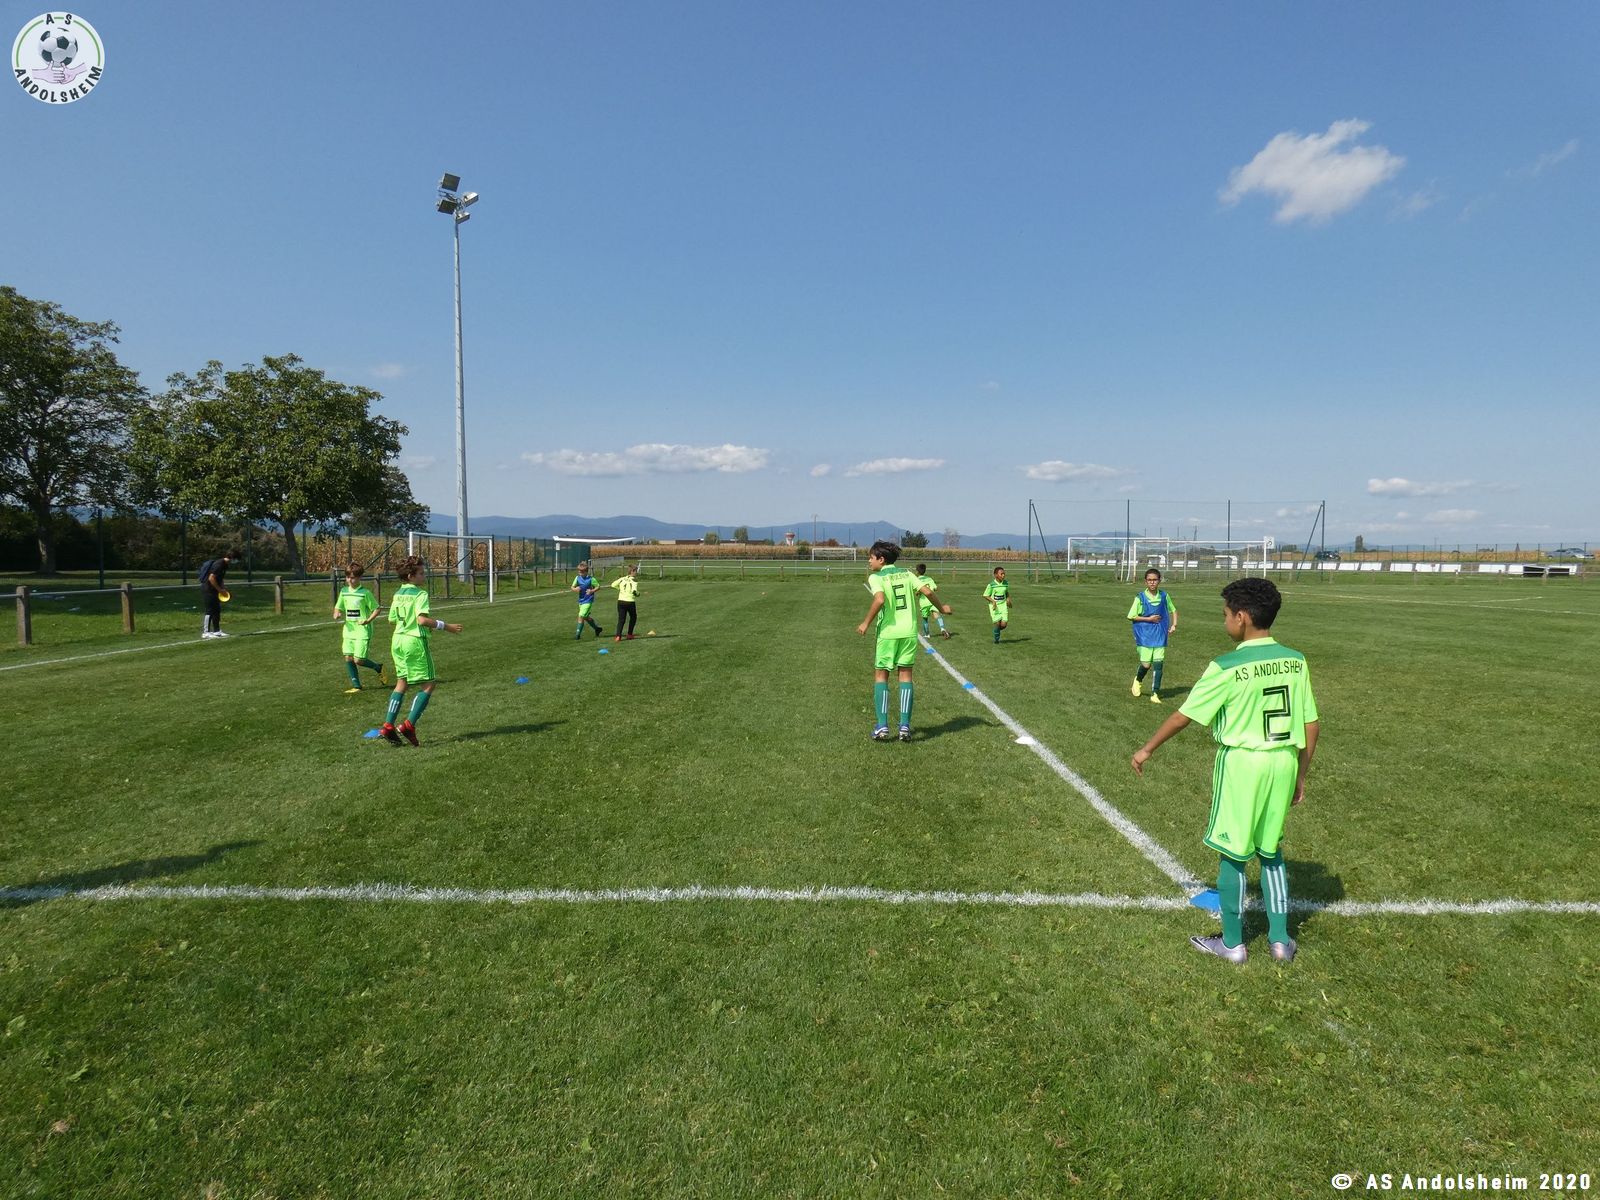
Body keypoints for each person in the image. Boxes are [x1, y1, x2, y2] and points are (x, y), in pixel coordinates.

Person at [1131, 577, 1320, 965]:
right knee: (1271, 851)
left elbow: (1184, 715)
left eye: (1225, 615)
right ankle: (1280, 941)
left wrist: (1147, 748)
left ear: (1242, 617)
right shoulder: (1295, 660)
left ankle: (1232, 944)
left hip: (1243, 764)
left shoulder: (1227, 666)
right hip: (1283, 761)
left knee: (1233, 854)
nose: (1225, 622)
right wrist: (1301, 774)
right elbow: (1311, 724)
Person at [856, 540, 952, 742]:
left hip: (888, 633)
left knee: (881, 676)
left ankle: (882, 726)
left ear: (881, 559)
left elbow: (879, 599)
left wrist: (865, 623)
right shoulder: (908, 574)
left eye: (871, 557)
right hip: (908, 633)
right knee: (906, 676)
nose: (869, 561)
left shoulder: (876, 577)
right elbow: (927, 591)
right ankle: (905, 727)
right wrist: (942, 608)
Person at [379, 556, 463, 747]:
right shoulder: (420, 594)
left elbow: (392, 619)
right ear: (411, 576)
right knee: (429, 684)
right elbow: (422, 620)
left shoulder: (398, 594)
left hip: (398, 640)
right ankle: (408, 725)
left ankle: (388, 725)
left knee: (402, 682)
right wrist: (446, 626)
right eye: (421, 573)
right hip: (414, 641)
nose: (424, 576)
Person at [333, 562, 387, 693]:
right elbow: (338, 607)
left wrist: (368, 620)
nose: (350, 580)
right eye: (348, 577)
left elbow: (377, 609)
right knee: (348, 657)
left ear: (359, 578)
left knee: (358, 660)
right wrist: (337, 613)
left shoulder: (365, 593)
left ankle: (378, 667)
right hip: (349, 629)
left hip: (362, 630)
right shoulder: (344, 592)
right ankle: (356, 686)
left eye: (353, 577)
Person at [1128, 568, 1178, 703]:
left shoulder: (1164, 596)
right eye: (1149, 580)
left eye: (1154, 580)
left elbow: (1173, 610)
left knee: (1158, 664)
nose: (1152, 582)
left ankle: (1155, 693)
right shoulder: (1140, 597)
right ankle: (1138, 680)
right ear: (1145, 582)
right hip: (1144, 636)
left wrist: (1174, 625)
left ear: (1159, 581)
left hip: (1160, 635)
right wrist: (1149, 619)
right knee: (1146, 665)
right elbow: (1131, 616)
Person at [198, 549, 237, 639]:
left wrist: (223, 589)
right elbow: (211, 578)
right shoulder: (219, 564)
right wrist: (220, 590)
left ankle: (217, 631)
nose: (236, 561)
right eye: (236, 559)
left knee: (216, 610)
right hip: (208, 589)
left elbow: (220, 579)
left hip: (215, 590)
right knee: (209, 610)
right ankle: (206, 632)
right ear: (233, 558)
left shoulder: (225, 565)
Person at [915, 563, 950, 639]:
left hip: (923, 602)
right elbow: (935, 588)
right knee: (936, 614)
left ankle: (927, 634)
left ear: (917, 571)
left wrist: (917, 593)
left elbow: (917, 592)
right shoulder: (929, 579)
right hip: (932, 600)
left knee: (925, 619)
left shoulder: (917, 580)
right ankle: (942, 628)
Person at [570, 561, 604, 640]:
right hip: (581, 601)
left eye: (581, 571)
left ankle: (577, 635)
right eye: (579, 571)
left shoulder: (591, 579)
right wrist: (575, 589)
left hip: (588, 600)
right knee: (585, 617)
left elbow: (598, 587)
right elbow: (572, 587)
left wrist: (592, 591)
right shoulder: (577, 578)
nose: (579, 572)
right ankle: (597, 629)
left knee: (581, 616)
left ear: (586, 571)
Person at [609, 563, 642, 641]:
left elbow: (613, 585)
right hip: (630, 601)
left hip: (620, 601)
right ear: (632, 571)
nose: (636, 572)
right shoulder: (634, 580)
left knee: (621, 619)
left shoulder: (622, 578)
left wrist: (620, 589)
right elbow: (634, 591)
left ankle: (618, 636)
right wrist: (638, 594)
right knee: (633, 617)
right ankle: (629, 634)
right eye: (636, 571)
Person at [982, 566, 1012, 643]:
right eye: (1001, 574)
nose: (1003, 575)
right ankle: (996, 639)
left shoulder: (1006, 583)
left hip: (1003, 606)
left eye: (1004, 574)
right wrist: (993, 601)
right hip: (994, 607)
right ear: (995, 575)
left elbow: (1006, 592)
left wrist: (1008, 599)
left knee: (1004, 625)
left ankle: (996, 630)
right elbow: (985, 595)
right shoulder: (991, 585)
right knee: (997, 624)